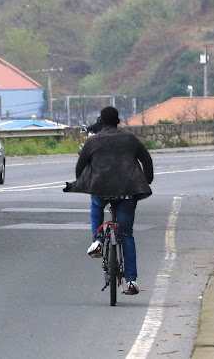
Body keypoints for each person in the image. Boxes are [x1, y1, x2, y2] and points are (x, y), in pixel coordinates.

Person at [64, 106, 153, 295]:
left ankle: (96, 241)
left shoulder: (93, 141)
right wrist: (147, 181)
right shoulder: (131, 139)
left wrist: (85, 183)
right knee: (127, 235)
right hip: (128, 190)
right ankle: (131, 281)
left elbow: (80, 167)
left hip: (101, 189)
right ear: (118, 121)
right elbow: (147, 161)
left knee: (96, 204)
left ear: (101, 122)